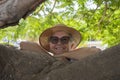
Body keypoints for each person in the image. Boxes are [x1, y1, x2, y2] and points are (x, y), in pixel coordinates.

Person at [20, 24, 101, 61]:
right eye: (54, 39)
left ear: (71, 45)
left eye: (64, 39)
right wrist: (50, 58)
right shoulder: (42, 59)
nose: (59, 43)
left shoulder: (77, 60)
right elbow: (24, 44)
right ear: (49, 44)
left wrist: (62, 55)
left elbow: (96, 52)